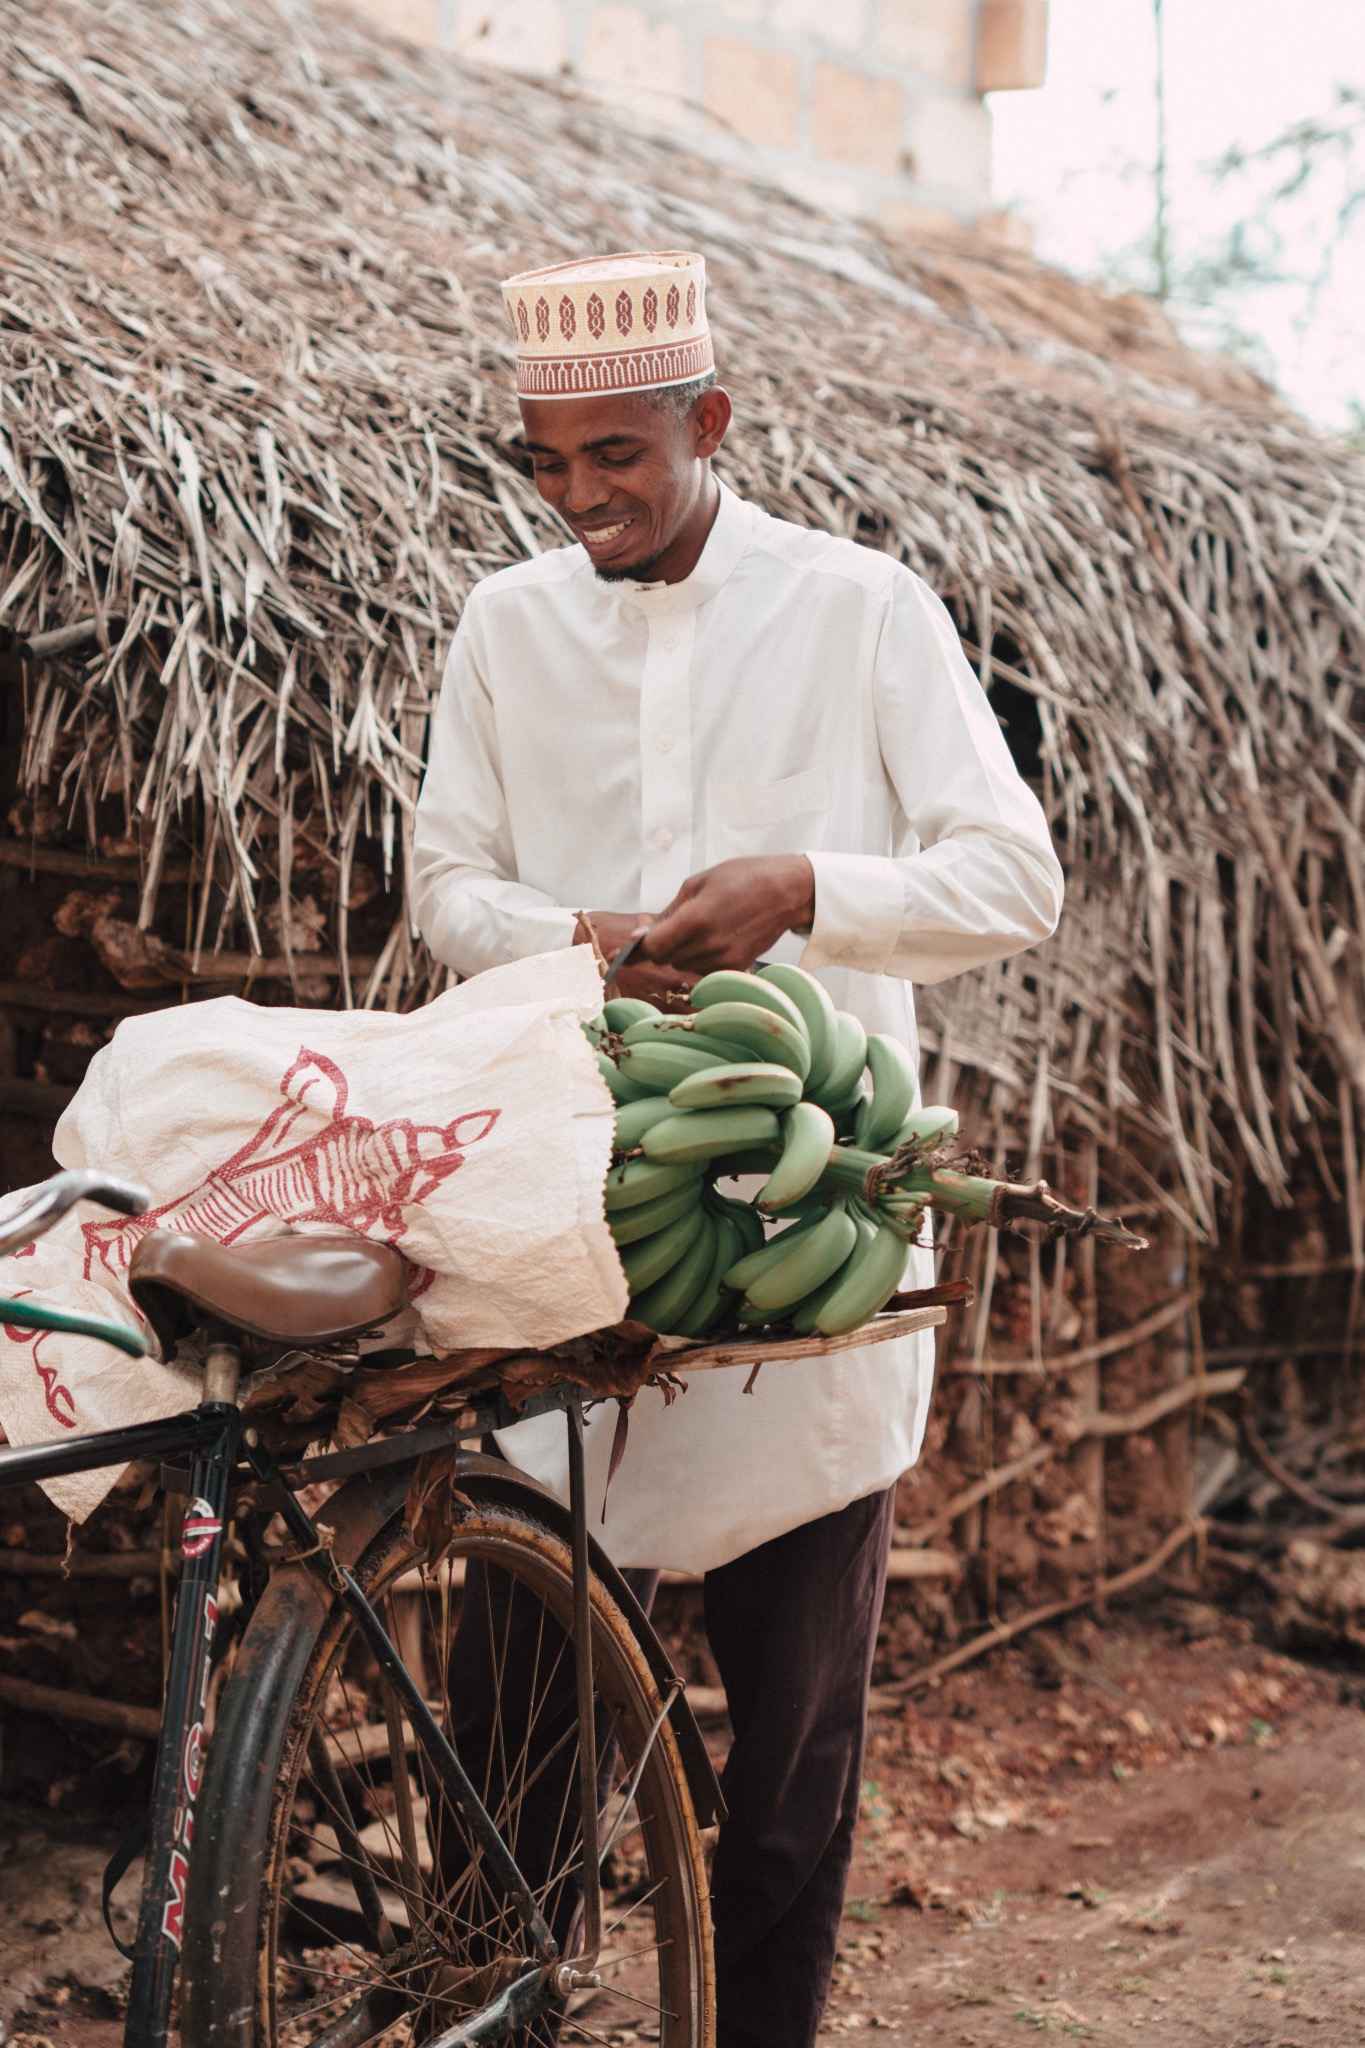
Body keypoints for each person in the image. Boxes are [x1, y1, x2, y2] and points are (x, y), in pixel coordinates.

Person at [412, 249, 1063, 2048]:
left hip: (806, 1243)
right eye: (546, 462)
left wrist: (808, 894)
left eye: (615, 453)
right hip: (561, 1224)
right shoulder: (503, 628)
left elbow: (1012, 877)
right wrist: (570, 941)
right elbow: (442, 879)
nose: (579, 496)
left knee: (781, 1774)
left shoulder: (863, 613)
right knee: (514, 1751)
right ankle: (498, 2010)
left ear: (710, 419)